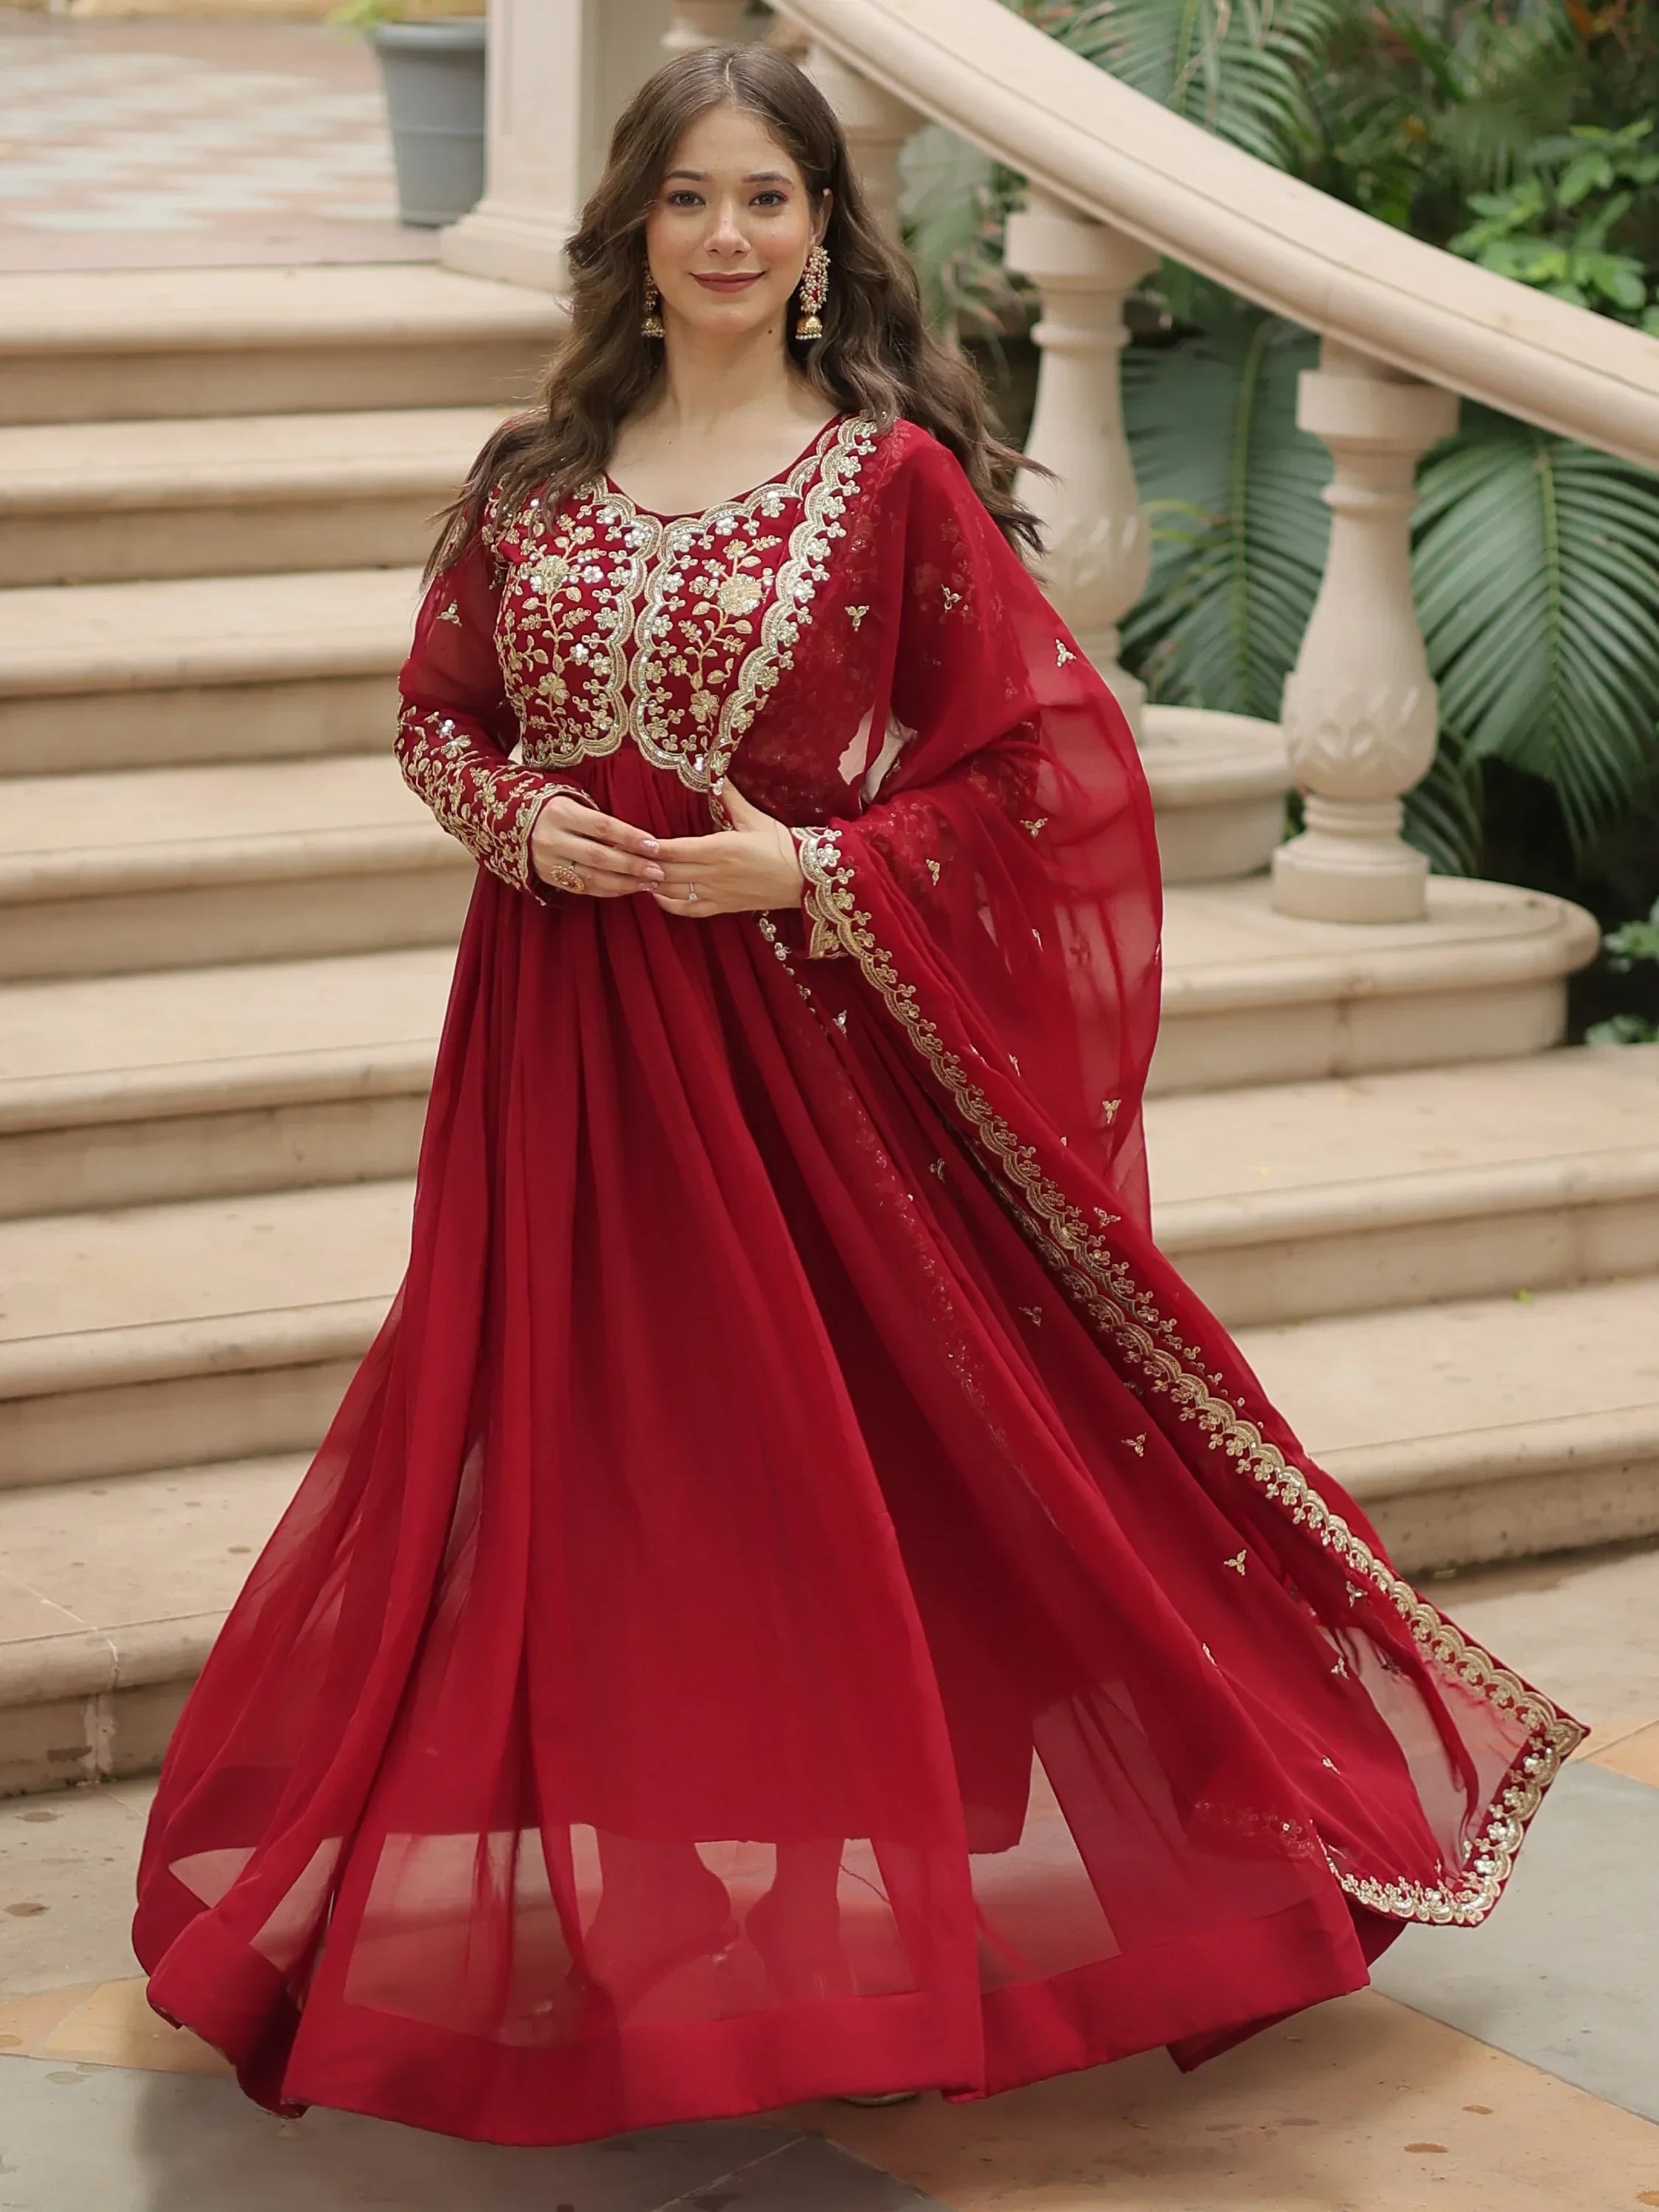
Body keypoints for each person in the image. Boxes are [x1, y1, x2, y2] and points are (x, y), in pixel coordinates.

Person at [133, 42, 1582, 2149]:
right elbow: (437, 716)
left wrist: (804, 865)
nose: (727, 239)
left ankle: (842, 1929)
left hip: (801, 1066)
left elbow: (1035, 766)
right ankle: (663, 1904)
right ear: (631, 225)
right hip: (560, 1048)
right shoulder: (534, 471)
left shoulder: (882, 479)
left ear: (824, 236)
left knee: (823, 1461)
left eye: (768, 202)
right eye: (691, 200)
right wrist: (518, 826)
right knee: (580, 1446)